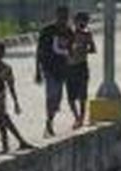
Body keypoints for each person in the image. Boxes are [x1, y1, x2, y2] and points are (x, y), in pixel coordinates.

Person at [0, 42, 35, 152]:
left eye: (0, 52)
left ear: (3, 53)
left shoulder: (6, 68)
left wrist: (16, 102)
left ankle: (5, 146)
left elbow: (11, 86)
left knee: (2, 123)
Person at [36, 5, 73, 137]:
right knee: (51, 95)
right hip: (49, 68)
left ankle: (50, 118)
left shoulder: (69, 32)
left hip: (62, 70)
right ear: (57, 16)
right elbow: (39, 51)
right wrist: (38, 71)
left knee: (57, 98)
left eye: (66, 16)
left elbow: (70, 52)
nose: (63, 19)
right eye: (61, 16)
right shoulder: (48, 31)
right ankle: (49, 122)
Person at [67, 11, 96, 129]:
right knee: (71, 97)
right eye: (80, 22)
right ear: (75, 21)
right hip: (69, 67)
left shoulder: (87, 34)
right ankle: (76, 117)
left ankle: (81, 117)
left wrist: (83, 50)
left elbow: (93, 49)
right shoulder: (69, 34)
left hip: (82, 66)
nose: (82, 24)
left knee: (82, 95)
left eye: (85, 22)